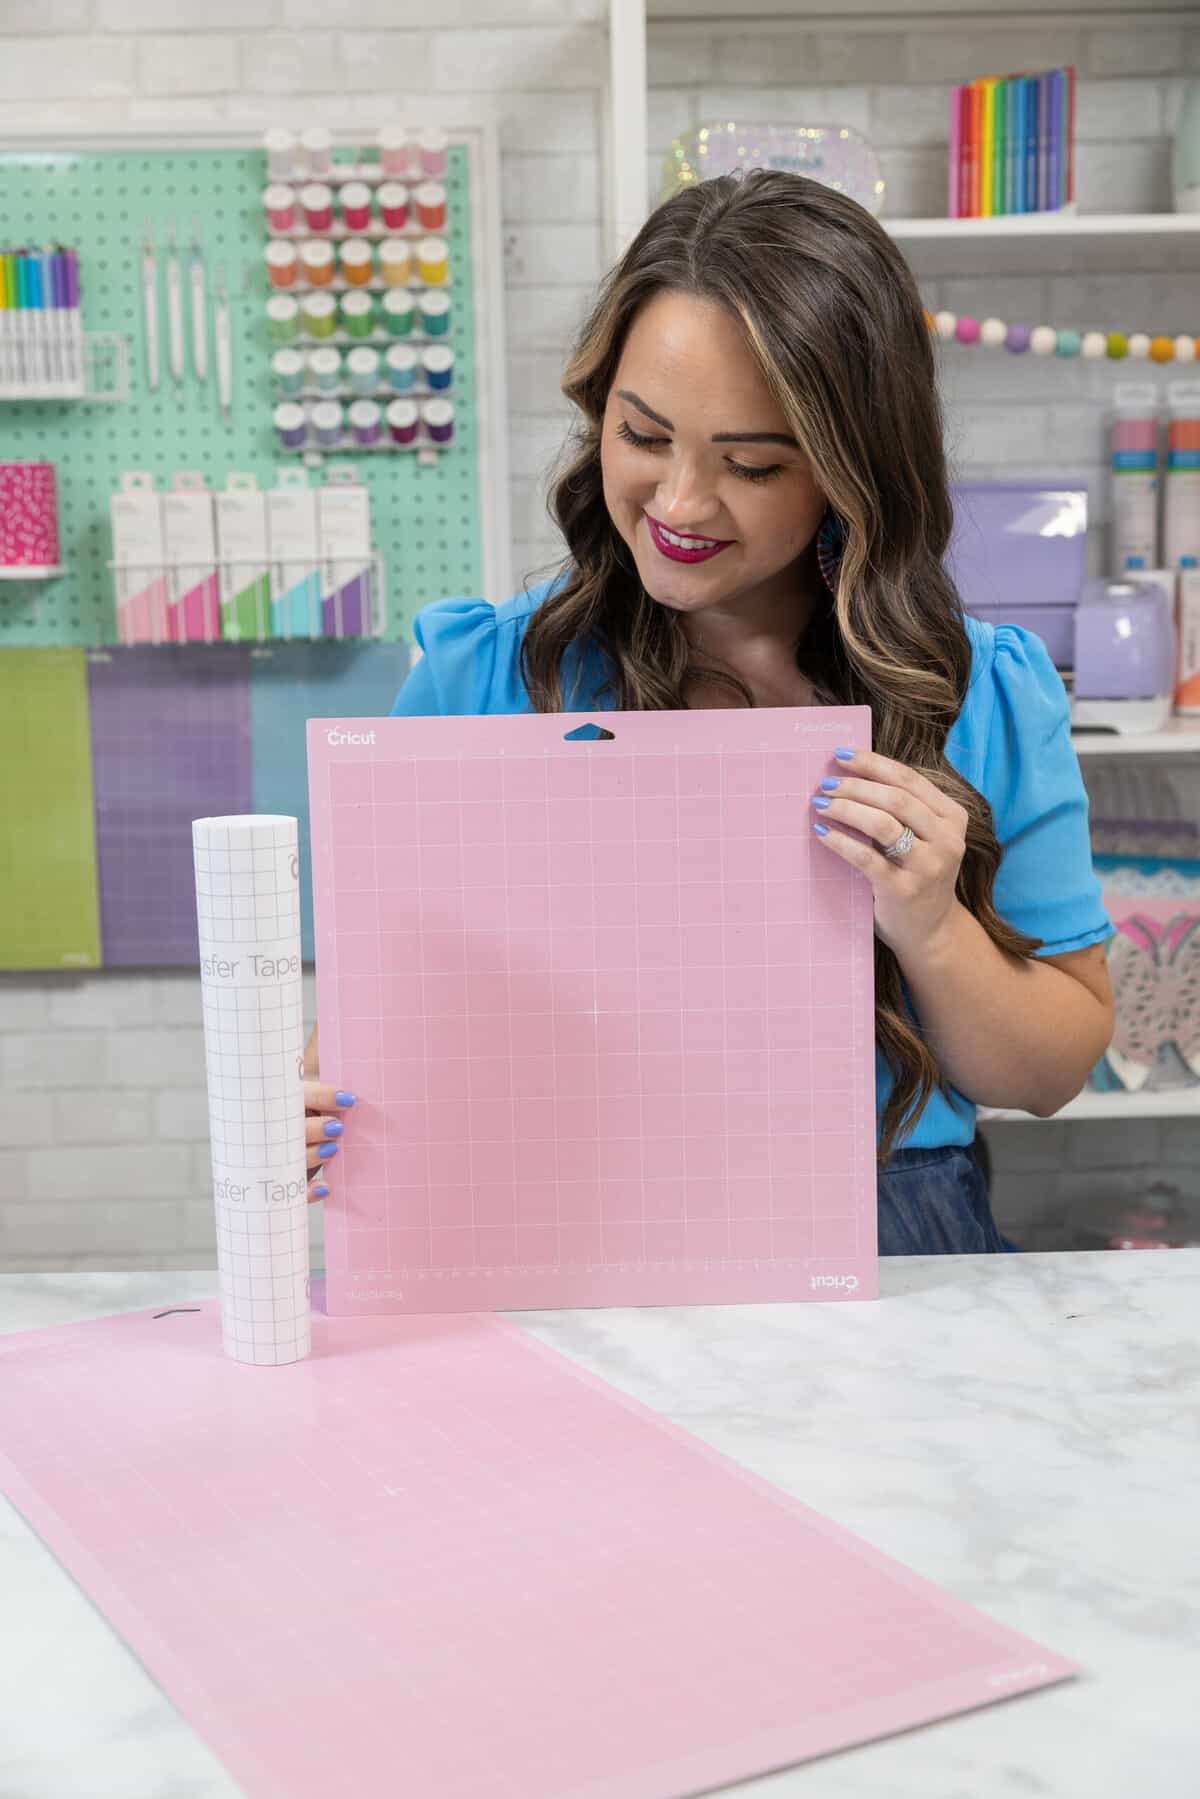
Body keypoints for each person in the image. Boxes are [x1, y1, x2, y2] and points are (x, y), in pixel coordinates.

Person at [304, 169, 1114, 1255]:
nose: (680, 504)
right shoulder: (482, 678)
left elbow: (1052, 1070)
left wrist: (931, 924)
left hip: (888, 1225)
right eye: (643, 436)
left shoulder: (978, 691)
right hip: (556, 1216)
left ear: (849, 471)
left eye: (751, 463)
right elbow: (369, 1018)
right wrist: (310, 1098)